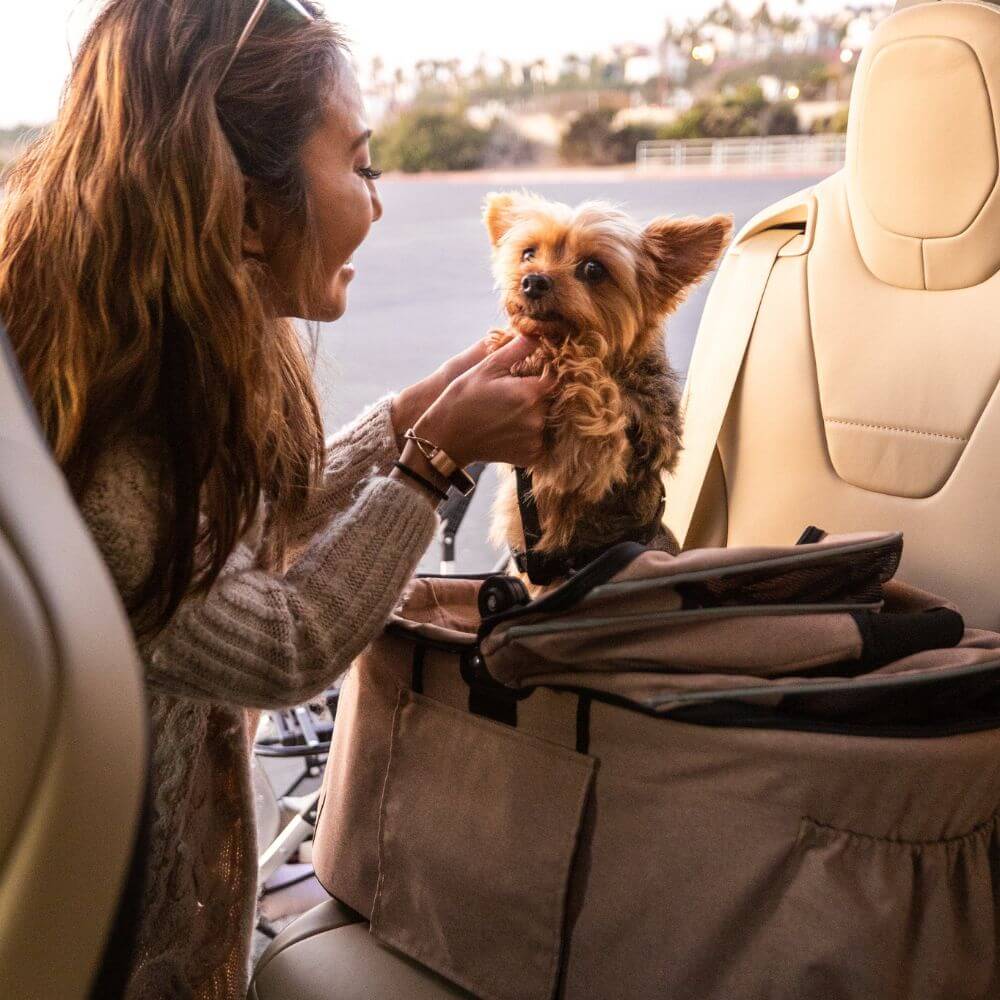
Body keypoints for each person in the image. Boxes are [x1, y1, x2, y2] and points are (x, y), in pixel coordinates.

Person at [0, 1, 551, 996]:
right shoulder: (101, 446)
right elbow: (280, 643)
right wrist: (432, 467)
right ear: (246, 206)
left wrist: (405, 425)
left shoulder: (120, 346)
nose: (377, 205)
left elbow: (243, 532)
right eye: (361, 164)